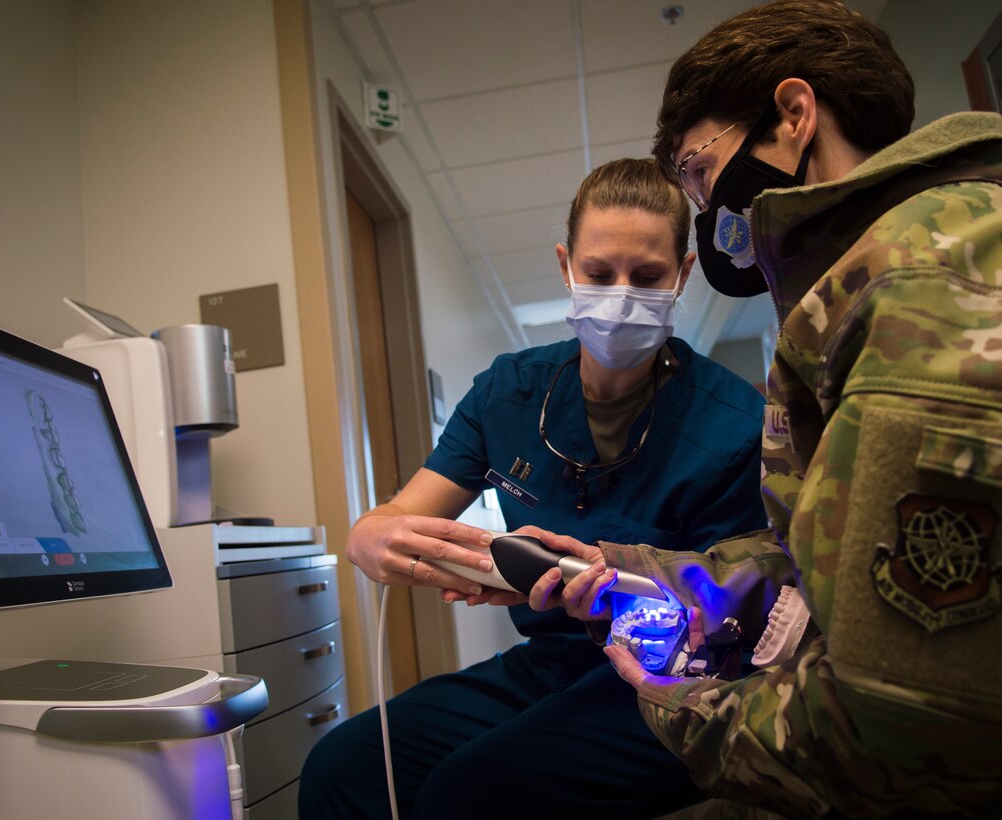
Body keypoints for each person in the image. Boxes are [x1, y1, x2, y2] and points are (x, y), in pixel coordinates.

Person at [595, 1, 1002, 817]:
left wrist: (681, 706)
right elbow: (829, 548)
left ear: (792, 115)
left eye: (698, 170)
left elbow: (904, 729)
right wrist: (620, 570)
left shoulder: (915, 285)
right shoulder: (882, 269)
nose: (705, 209)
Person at [298, 158, 780, 819]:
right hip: (549, 663)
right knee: (343, 765)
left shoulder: (732, 424)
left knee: (469, 791)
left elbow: (739, 611)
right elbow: (402, 514)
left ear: (682, 274)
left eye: (646, 277)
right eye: (598, 273)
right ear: (565, 266)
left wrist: (609, 589)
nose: (620, 296)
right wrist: (369, 535)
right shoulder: (508, 392)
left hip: (668, 677)